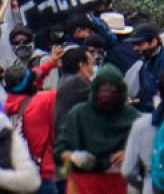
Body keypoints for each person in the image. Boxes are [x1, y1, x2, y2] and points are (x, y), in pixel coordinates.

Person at [54, 64, 139, 194]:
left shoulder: (132, 117)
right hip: (83, 183)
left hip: (118, 182)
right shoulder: (78, 115)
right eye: (102, 89)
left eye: (112, 90)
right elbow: (59, 149)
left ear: (120, 92)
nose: (107, 94)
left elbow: (147, 152)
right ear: (94, 90)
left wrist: (129, 155)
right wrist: (73, 157)